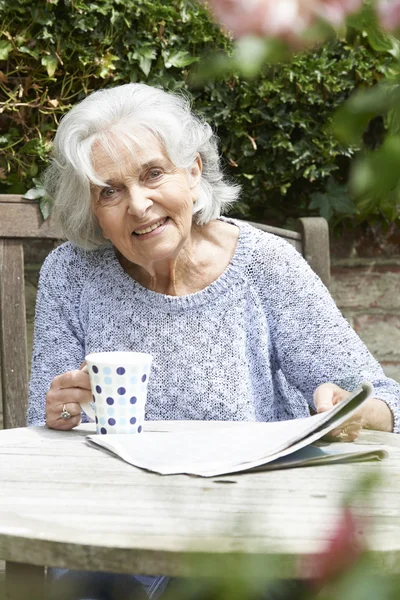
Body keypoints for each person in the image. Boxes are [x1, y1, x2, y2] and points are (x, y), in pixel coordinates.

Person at [28, 83, 400, 599]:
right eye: (108, 191)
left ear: (194, 172)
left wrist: (356, 411)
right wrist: (59, 413)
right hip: (113, 529)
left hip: (244, 534)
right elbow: (41, 434)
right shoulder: (71, 275)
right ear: (92, 208)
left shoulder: (264, 265)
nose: (138, 204)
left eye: (153, 173)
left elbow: (388, 399)